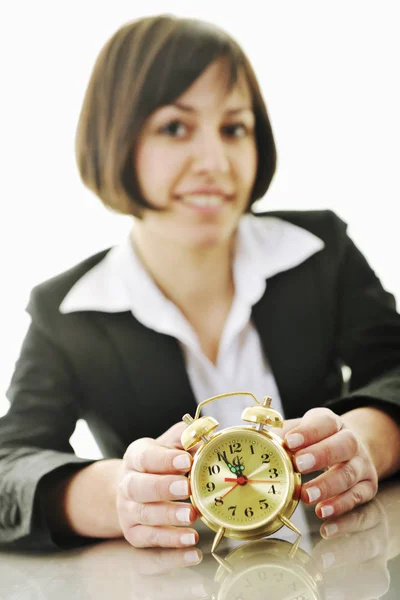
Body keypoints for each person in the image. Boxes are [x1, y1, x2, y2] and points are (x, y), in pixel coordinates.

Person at [1, 14, 399, 552]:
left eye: (234, 128)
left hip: (346, 566)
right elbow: (10, 465)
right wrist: (119, 493)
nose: (215, 162)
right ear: (114, 138)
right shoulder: (69, 311)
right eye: (174, 127)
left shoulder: (318, 250)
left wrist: (368, 444)